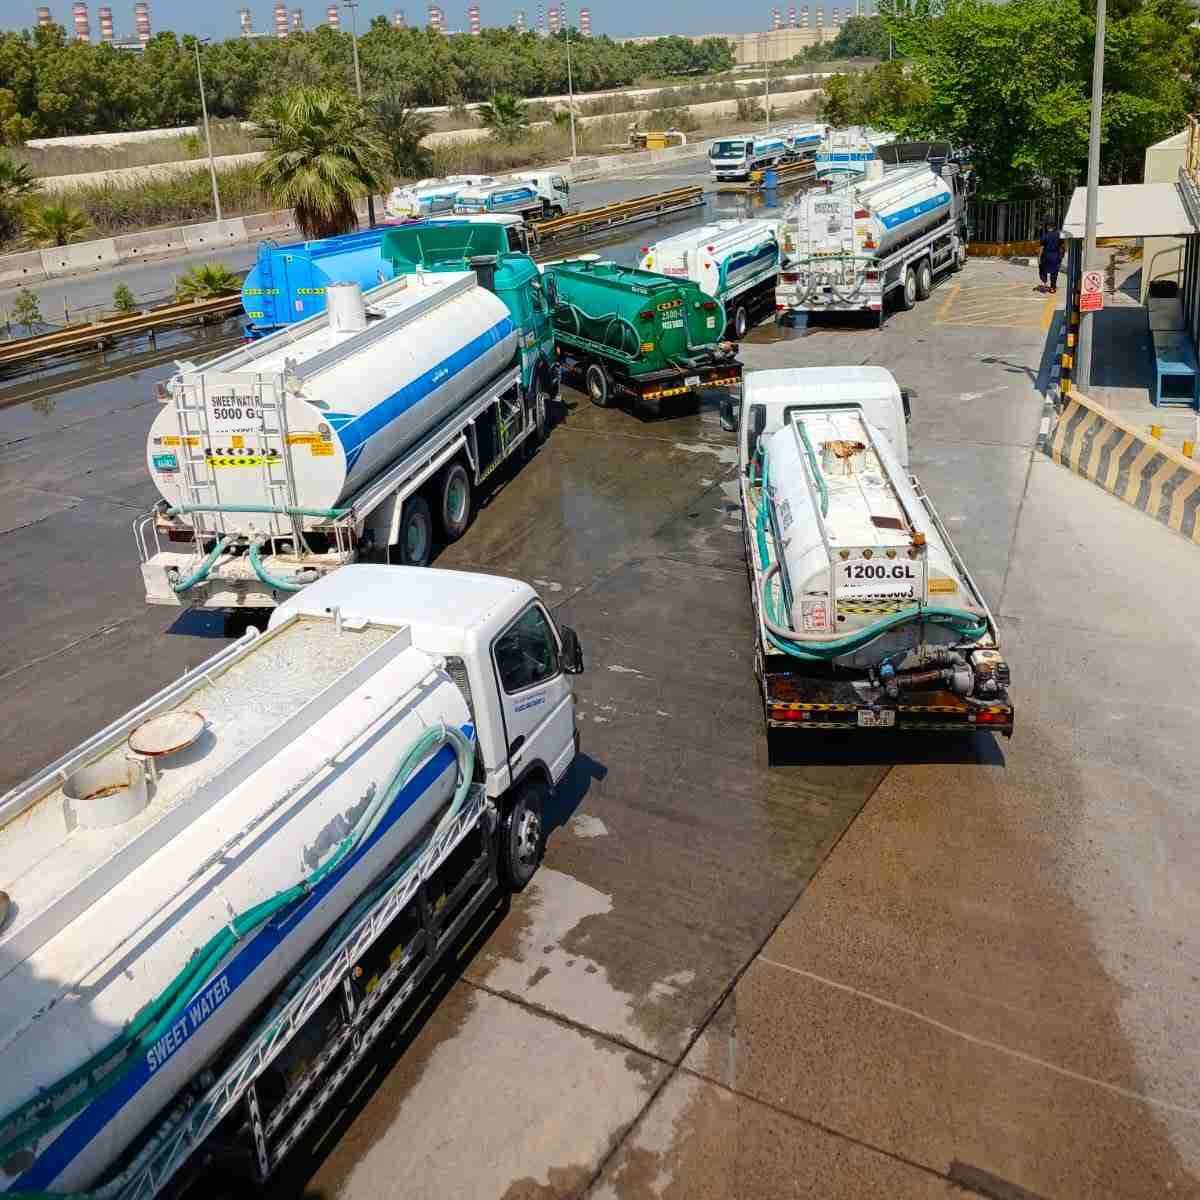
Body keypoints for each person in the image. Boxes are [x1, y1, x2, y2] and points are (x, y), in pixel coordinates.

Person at [1038, 223, 1064, 294]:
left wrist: (1039, 257)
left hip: (1046, 256)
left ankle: (1044, 284)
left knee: (1042, 270)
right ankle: (1052, 288)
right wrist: (1061, 256)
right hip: (1056, 256)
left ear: (1047, 227)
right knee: (1054, 273)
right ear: (1054, 227)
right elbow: (1062, 247)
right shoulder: (1059, 236)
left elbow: (1042, 247)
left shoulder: (1045, 236)